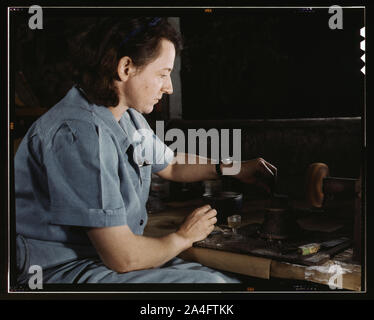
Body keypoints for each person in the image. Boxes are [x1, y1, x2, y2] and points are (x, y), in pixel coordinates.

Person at [14, 17, 277, 284]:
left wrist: (236, 167)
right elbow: (124, 258)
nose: (169, 87)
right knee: (211, 286)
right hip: (62, 269)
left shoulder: (126, 116)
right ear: (126, 68)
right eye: (162, 74)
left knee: (223, 280)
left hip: (102, 258)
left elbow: (171, 163)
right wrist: (183, 237)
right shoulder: (78, 134)